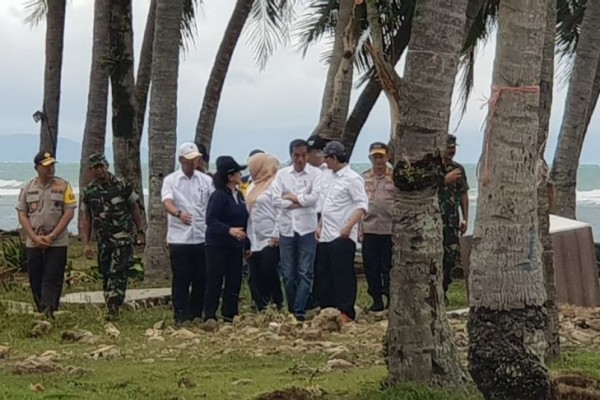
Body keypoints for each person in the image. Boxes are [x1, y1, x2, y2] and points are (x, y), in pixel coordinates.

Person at [80, 153, 145, 321]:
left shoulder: (122, 185)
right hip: (104, 240)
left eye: (101, 166)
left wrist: (140, 231)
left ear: (106, 166)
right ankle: (111, 302)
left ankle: (113, 308)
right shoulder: (89, 191)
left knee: (119, 272)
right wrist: (86, 243)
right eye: (95, 168)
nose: (99, 170)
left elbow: (134, 208)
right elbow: (86, 217)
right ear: (91, 170)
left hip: (123, 237)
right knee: (106, 273)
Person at [16, 151, 76, 318]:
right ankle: (41, 308)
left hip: (57, 241)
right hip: (34, 240)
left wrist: (52, 236)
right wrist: (34, 237)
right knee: (36, 277)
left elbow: (69, 212)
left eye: (52, 165)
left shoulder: (63, 185)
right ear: (37, 168)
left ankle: (49, 310)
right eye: (46, 166)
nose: (51, 169)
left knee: (53, 276)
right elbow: (22, 214)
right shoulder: (28, 187)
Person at [161, 143, 213, 325]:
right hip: (180, 238)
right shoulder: (171, 180)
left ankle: (196, 313)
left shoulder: (205, 180)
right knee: (181, 278)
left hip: (201, 235)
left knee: (201, 277)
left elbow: (211, 202)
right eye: (189, 159)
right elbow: (166, 201)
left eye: (195, 159)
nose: (193, 163)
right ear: (181, 160)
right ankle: (180, 314)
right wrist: (177, 213)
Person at [316, 141, 368, 322]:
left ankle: (346, 310)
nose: (325, 162)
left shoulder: (353, 178)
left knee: (342, 273)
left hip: (342, 233)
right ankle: (328, 308)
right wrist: (320, 225)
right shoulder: (327, 176)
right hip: (325, 233)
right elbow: (326, 204)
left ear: (334, 158)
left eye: (327, 158)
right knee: (324, 272)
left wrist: (349, 226)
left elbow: (361, 205)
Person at [271, 139, 322, 321]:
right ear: (291, 155)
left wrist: (292, 198)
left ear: (307, 155)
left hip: (307, 229)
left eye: (303, 155)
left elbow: (315, 198)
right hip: (287, 229)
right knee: (287, 273)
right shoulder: (282, 174)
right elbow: (276, 200)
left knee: (305, 271)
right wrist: (300, 201)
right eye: (296, 155)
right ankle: (293, 307)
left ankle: (299, 311)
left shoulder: (315, 174)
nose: (300, 159)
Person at [204, 156, 249, 322]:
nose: (240, 175)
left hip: (235, 245)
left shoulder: (239, 195)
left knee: (234, 278)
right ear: (230, 176)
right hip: (217, 245)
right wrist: (229, 230)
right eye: (238, 172)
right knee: (215, 279)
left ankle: (230, 313)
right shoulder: (218, 196)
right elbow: (211, 220)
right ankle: (209, 313)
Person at [245, 153, 284, 311]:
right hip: (255, 237)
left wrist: (276, 233)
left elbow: (281, 211)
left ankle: (276, 301)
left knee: (269, 270)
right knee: (254, 274)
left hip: (271, 237)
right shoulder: (252, 185)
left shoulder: (275, 184)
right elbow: (250, 215)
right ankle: (260, 303)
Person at [361, 142, 394, 312]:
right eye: (375, 157)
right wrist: (359, 229)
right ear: (370, 158)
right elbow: (359, 205)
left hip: (389, 229)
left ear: (387, 156)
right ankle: (376, 300)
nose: (378, 160)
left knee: (388, 267)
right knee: (371, 267)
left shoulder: (395, 176)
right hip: (369, 229)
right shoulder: (364, 177)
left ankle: (390, 298)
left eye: (381, 156)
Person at [440, 134, 469, 297]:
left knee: (450, 258)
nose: (451, 151)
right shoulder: (435, 169)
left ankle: (444, 287)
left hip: (452, 221)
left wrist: (465, 218)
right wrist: (444, 180)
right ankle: (438, 292)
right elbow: (427, 191)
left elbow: (464, 194)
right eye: (448, 147)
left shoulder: (459, 169)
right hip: (435, 221)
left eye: (453, 148)